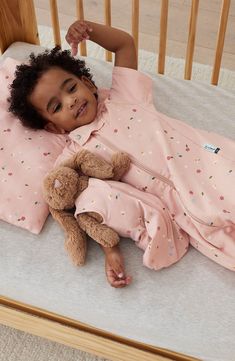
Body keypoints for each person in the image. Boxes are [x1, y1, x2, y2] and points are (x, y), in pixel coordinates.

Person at [8, 21, 235, 287]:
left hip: (211, 166)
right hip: (183, 212)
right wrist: (110, 250)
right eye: (57, 106)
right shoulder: (73, 159)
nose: (70, 100)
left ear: (87, 83)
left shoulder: (125, 97)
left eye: (71, 88)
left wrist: (88, 30)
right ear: (53, 127)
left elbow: (124, 44)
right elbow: (95, 208)